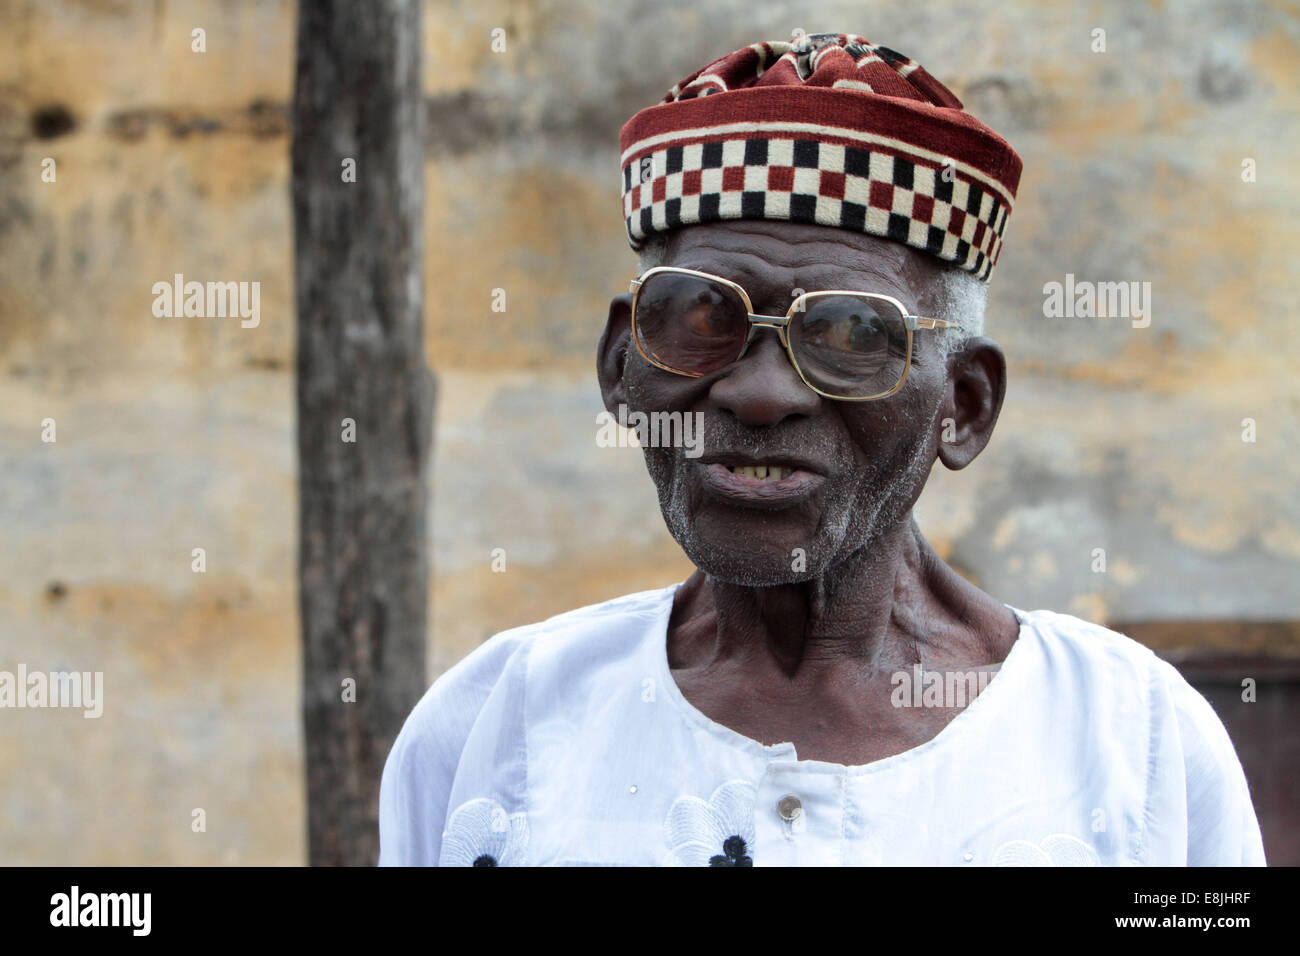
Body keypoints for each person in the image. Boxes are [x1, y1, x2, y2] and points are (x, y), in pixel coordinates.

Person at [379, 30, 1265, 866]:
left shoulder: (1137, 745)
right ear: (621, 366)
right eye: (699, 317)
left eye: (850, 336)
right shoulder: (491, 730)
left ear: (964, 405)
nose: (757, 393)